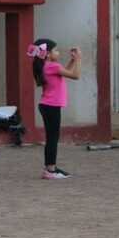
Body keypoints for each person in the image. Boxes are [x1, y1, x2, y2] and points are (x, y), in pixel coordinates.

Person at [29, 39, 80, 178]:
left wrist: (72, 60)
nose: (58, 52)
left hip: (47, 105)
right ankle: (50, 170)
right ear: (47, 54)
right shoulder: (52, 66)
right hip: (51, 106)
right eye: (55, 50)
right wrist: (79, 59)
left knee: (51, 137)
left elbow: (66, 71)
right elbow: (75, 75)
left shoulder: (48, 66)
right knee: (52, 138)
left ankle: (50, 167)